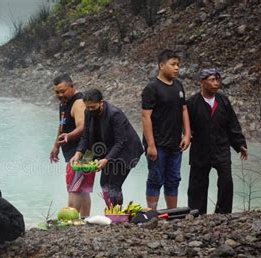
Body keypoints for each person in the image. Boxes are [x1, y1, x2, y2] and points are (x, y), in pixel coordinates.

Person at [187, 68, 248, 215]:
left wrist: (240, 144)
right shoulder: (192, 103)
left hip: (221, 148)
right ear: (202, 82)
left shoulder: (223, 101)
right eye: (212, 80)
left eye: (217, 80)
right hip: (200, 150)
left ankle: (222, 213)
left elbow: (232, 124)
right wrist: (185, 137)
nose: (216, 83)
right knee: (197, 184)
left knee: (226, 182)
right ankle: (197, 213)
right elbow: (185, 125)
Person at [70, 88, 143, 207]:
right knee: (104, 183)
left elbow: (120, 142)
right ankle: (111, 210)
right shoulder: (88, 112)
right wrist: (78, 153)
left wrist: (106, 159)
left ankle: (117, 215)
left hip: (127, 151)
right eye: (87, 107)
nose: (89, 110)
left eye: (93, 107)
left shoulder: (115, 114)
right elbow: (86, 136)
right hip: (109, 148)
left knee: (114, 185)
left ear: (101, 103)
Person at [141, 49, 191, 210]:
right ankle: (152, 212)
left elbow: (184, 110)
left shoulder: (178, 85)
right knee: (156, 178)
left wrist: (187, 134)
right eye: (173, 64)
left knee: (174, 178)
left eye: (178, 65)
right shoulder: (152, 88)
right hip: (157, 142)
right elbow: (145, 117)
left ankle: (172, 213)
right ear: (161, 65)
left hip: (175, 142)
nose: (177, 68)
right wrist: (150, 145)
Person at [49, 74, 94, 218]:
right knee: (83, 189)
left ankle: (71, 221)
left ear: (72, 87)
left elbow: (83, 127)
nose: (60, 95)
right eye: (57, 92)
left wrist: (68, 136)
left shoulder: (78, 102)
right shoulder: (64, 103)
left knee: (74, 188)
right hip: (80, 152)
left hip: (81, 152)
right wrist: (56, 145)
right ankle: (84, 220)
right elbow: (62, 124)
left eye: (63, 91)